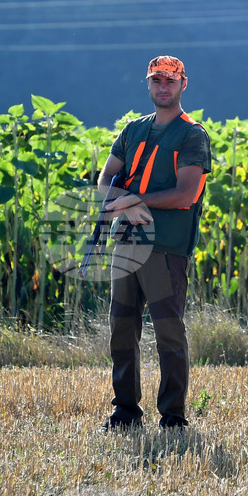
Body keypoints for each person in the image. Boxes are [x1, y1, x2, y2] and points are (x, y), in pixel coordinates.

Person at [97, 55, 212, 432]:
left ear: (183, 85)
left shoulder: (191, 134)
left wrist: (132, 200)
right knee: (121, 329)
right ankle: (125, 411)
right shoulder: (133, 129)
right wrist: (125, 207)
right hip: (127, 242)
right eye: (156, 80)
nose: (163, 87)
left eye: (170, 81)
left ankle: (173, 418)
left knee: (168, 331)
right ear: (148, 85)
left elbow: (185, 194)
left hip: (165, 247)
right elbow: (105, 182)